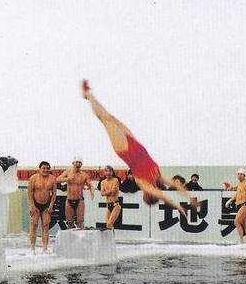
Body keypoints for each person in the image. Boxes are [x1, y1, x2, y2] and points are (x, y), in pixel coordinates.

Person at [81, 80, 193, 216]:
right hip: (135, 144)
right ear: (147, 196)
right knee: (110, 117)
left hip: (126, 150)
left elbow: (164, 196)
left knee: (105, 120)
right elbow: (176, 186)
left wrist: (180, 207)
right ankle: (88, 95)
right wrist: (189, 198)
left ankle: (88, 95)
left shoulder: (143, 184)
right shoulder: (157, 178)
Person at [56, 157, 94, 229]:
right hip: (69, 200)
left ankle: (80, 238)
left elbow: (90, 185)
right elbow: (57, 180)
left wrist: (92, 193)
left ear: (81, 164)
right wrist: (67, 179)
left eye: (80, 162)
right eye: (76, 162)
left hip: (79, 200)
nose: (78, 164)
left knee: (80, 221)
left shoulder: (84, 175)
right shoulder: (68, 172)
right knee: (69, 222)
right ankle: (71, 238)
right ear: (73, 163)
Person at [27, 161, 57, 254]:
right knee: (34, 225)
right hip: (35, 204)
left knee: (46, 226)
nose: (45, 170)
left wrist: (51, 205)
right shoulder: (34, 178)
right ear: (39, 169)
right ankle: (32, 249)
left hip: (46, 205)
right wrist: (32, 206)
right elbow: (29, 192)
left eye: (47, 168)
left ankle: (45, 249)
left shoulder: (52, 179)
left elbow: (54, 193)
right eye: (43, 168)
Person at [224, 168, 246, 244]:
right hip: (241, 205)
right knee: (245, 223)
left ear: (244, 176)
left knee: (236, 222)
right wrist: (230, 200)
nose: (239, 176)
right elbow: (237, 193)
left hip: (244, 205)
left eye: (241, 174)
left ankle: (241, 240)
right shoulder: (241, 184)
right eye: (238, 174)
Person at [99, 165, 122, 229]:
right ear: (104, 173)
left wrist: (106, 192)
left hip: (116, 205)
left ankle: (112, 238)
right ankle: (111, 238)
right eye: (106, 171)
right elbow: (102, 193)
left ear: (112, 172)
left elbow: (113, 191)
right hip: (108, 205)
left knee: (109, 224)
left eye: (110, 171)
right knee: (108, 226)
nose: (108, 173)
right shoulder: (103, 182)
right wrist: (109, 192)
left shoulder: (115, 180)